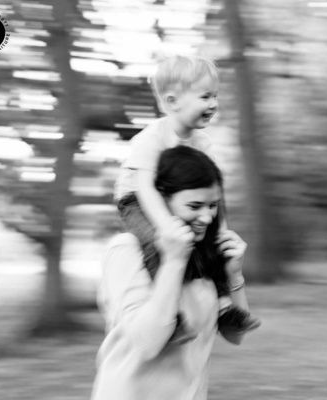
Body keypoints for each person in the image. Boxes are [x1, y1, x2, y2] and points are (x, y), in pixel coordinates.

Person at [114, 54, 260, 341]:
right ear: (172, 102)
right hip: (136, 198)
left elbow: (213, 191)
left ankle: (224, 306)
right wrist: (167, 225)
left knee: (214, 244)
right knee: (158, 243)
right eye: (205, 96)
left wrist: (222, 228)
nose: (214, 104)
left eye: (216, 96)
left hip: (177, 199)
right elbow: (145, 187)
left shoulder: (203, 142)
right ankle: (169, 317)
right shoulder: (151, 138)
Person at [92, 146, 256, 400]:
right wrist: (173, 262)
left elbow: (236, 335)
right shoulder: (126, 250)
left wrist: (234, 276)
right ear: (160, 200)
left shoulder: (202, 254)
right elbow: (148, 344)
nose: (207, 217)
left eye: (213, 206)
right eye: (194, 205)